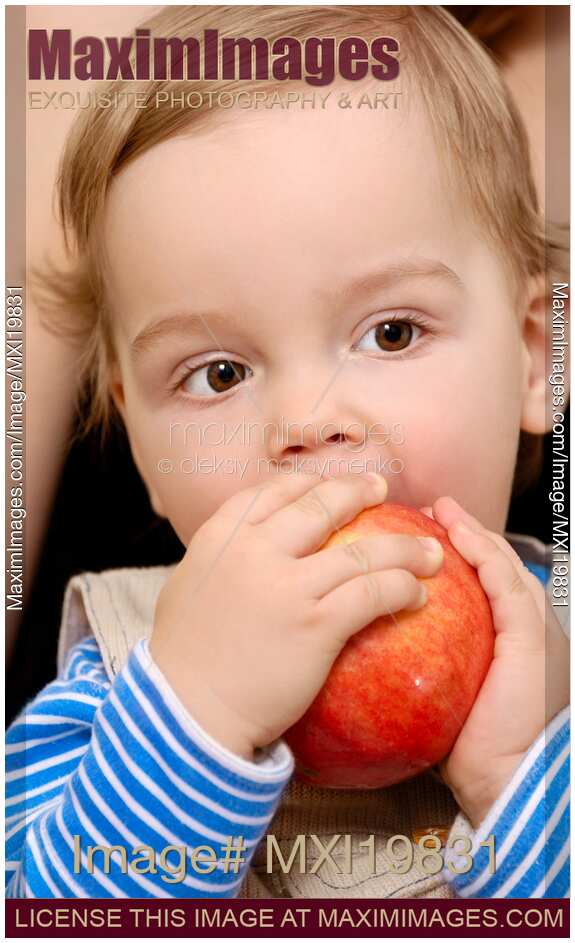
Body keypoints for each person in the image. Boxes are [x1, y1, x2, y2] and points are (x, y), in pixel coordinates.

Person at [6, 5, 569, 899]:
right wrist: (194, 725)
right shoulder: (114, 692)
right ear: (142, 448)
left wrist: (528, 779)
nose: (305, 424)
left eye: (390, 332)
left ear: (538, 353)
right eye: (218, 373)